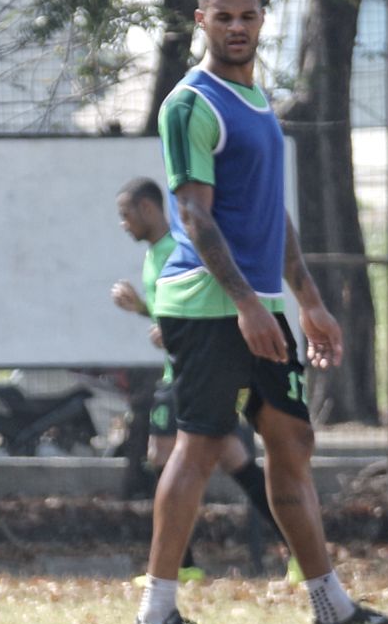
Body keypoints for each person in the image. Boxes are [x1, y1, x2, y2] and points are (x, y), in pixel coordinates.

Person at [131, 0, 388, 624]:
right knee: (200, 448)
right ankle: (155, 617)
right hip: (206, 305)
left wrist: (307, 303)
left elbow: (267, 215)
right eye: (221, 16)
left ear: (262, 20)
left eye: (247, 16)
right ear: (199, 21)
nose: (236, 27)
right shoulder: (189, 103)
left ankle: (331, 610)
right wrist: (244, 307)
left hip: (253, 304)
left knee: (292, 442)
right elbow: (195, 219)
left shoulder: (256, 98)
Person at [111, 176, 295, 585]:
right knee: (232, 458)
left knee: (164, 454)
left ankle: (182, 565)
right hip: (182, 368)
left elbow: (193, 313)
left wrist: (163, 324)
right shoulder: (154, 254)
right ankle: (296, 549)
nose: (123, 224)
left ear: (147, 209)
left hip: (190, 371)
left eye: (126, 215)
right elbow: (168, 320)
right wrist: (144, 311)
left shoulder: (178, 250)